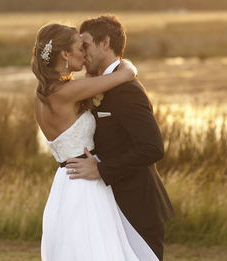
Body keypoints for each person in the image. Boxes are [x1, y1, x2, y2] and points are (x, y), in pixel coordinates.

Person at [32, 23, 159, 261]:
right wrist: (126, 62)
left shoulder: (43, 94)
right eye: (80, 48)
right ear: (65, 54)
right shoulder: (67, 92)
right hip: (85, 182)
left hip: (65, 181)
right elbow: (126, 74)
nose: (84, 53)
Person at [65, 14, 174, 260]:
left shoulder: (127, 91)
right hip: (108, 206)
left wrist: (101, 170)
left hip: (137, 206)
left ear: (105, 43)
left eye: (86, 45)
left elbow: (152, 147)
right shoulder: (99, 84)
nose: (83, 54)